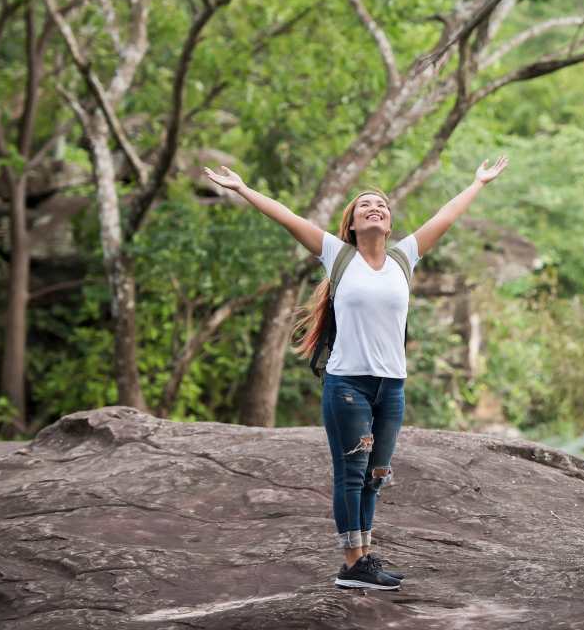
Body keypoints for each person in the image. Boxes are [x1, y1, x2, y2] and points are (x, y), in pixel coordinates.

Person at [203, 156, 509, 589]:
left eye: (382, 206)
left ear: (389, 224)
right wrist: (243, 188)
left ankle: (365, 556)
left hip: (392, 387)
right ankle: (352, 563)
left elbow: (446, 215)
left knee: (375, 475)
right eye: (365, 205)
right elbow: (288, 217)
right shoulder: (338, 255)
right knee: (351, 473)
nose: (375, 208)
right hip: (348, 384)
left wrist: (479, 182)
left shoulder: (405, 256)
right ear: (351, 223)